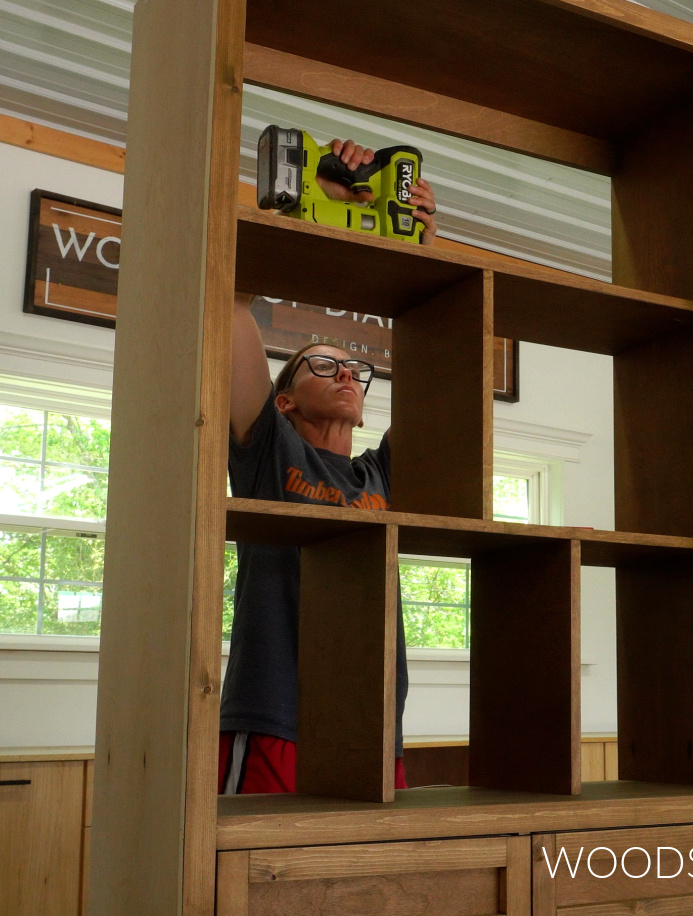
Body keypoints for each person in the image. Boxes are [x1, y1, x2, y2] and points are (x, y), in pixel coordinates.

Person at [218, 139, 437, 794]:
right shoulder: (267, 448)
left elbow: (445, 375)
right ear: (282, 399)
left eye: (354, 369)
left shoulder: (382, 477)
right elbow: (229, 303)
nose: (344, 372)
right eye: (321, 363)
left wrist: (420, 242)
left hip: (374, 722)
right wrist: (308, 209)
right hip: (275, 715)